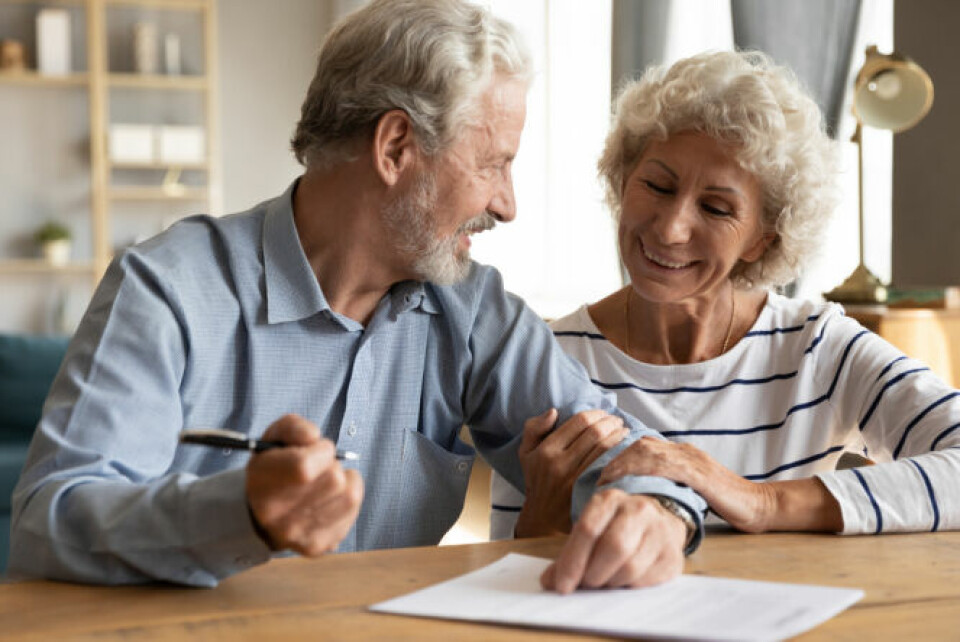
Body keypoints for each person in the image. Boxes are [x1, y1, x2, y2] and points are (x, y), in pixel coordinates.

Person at [10, 0, 706, 591]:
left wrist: (659, 512)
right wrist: (240, 514)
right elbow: (48, 523)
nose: (507, 204)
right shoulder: (168, 288)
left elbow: (622, 444)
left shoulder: (470, 307)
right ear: (397, 146)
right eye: (493, 163)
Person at [491, 50, 960, 539]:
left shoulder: (817, 348)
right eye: (656, 185)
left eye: (715, 209)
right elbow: (501, 593)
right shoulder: (547, 358)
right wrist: (543, 516)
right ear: (623, 179)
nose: (671, 229)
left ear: (764, 237)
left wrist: (760, 501)